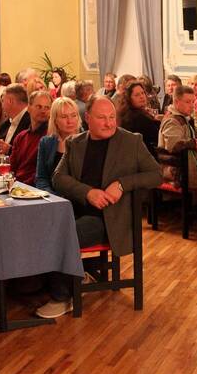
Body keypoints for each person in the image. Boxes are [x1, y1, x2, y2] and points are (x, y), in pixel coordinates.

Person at [39, 95, 162, 318]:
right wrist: (87, 192)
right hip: (77, 212)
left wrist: (122, 184)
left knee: (61, 235)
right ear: (87, 118)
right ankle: (75, 278)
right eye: (102, 118)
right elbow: (58, 178)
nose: (108, 123)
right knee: (40, 228)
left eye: (112, 117)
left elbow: (156, 174)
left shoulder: (131, 142)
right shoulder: (76, 143)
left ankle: (63, 297)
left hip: (110, 219)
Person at [159, 85, 197, 189]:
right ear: (176, 102)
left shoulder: (186, 118)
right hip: (179, 172)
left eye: (193, 102)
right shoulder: (172, 121)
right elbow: (174, 145)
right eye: (188, 102)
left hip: (192, 166)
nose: (192, 106)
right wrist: (195, 143)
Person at [35, 97, 81, 194]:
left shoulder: (86, 140)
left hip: (78, 197)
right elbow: (41, 178)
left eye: (73, 115)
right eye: (64, 117)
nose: (70, 121)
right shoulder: (46, 142)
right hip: (52, 197)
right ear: (55, 120)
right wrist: (53, 197)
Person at [9, 90, 51, 185]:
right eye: (39, 106)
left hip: (33, 187)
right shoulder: (21, 137)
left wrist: (20, 186)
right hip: (15, 185)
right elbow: (11, 167)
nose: (43, 111)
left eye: (47, 107)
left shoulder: (50, 137)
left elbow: (42, 173)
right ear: (29, 108)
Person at [118, 81, 160, 154]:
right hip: (144, 154)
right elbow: (156, 136)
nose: (141, 96)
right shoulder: (137, 117)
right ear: (129, 98)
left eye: (142, 93)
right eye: (137, 95)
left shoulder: (126, 113)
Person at [0, 83, 31, 154]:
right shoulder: (6, 123)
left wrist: (9, 150)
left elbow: (30, 153)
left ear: (10, 101)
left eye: (3, 101)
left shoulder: (31, 121)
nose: (2, 106)